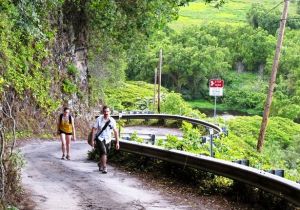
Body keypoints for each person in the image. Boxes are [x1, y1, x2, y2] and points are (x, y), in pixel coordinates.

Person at [91, 106, 120, 173]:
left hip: (108, 139)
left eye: (107, 111)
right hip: (100, 138)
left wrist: (117, 142)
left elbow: (116, 131)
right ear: (103, 112)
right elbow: (94, 129)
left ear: (110, 112)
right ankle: (104, 167)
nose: (106, 113)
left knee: (106, 153)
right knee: (104, 152)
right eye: (105, 111)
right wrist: (92, 140)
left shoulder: (112, 120)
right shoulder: (99, 119)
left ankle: (100, 163)